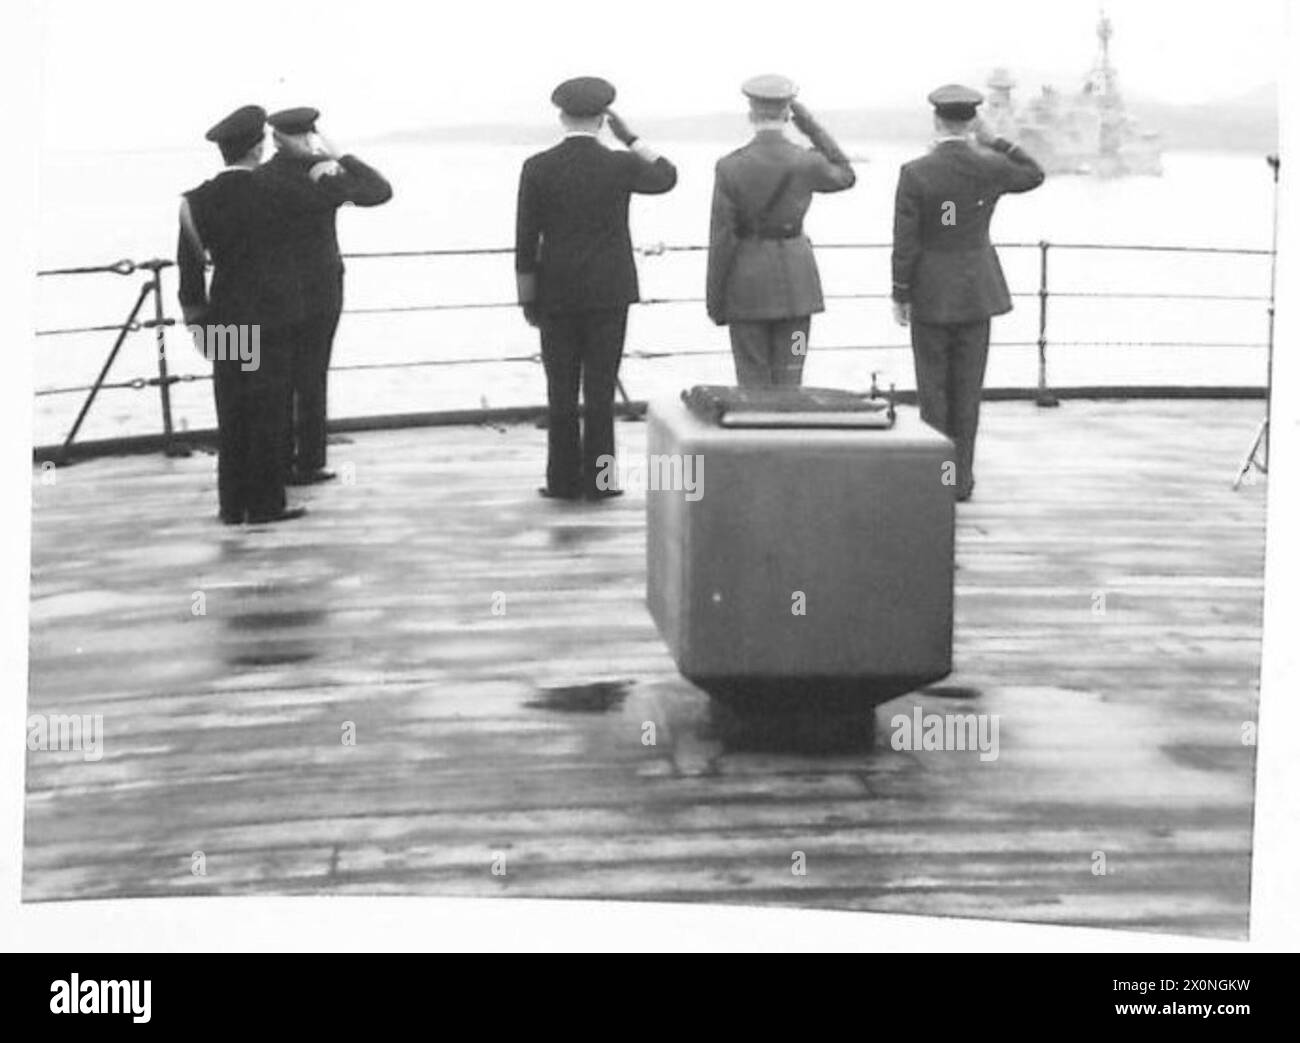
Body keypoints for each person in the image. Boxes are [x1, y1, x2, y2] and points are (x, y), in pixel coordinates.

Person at [515, 76, 677, 501]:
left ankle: (562, 481)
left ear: (561, 116)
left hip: (556, 292)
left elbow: (526, 239)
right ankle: (602, 481)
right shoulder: (621, 165)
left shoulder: (538, 166)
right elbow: (666, 176)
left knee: (561, 391)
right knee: (601, 390)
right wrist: (631, 137)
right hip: (610, 291)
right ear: (604, 118)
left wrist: (528, 297)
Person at [891, 84, 1045, 502]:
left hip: (930, 291)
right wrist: (994, 139)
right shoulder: (990, 165)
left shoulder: (915, 172)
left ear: (936, 119)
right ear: (971, 120)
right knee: (967, 391)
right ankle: (961, 479)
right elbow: (1034, 173)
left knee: (933, 391)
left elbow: (905, 241)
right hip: (977, 290)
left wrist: (900, 292)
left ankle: (938, 479)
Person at [177, 104, 305, 525]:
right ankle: (266, 504)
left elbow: (190, 275)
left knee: (231, 412)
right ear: (258, 146)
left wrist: (200, 329)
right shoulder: (280, 190)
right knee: (270, 412)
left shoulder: (195, 202)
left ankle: (232, 505)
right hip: (273, 318)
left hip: (226, 317)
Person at [259, 107, 393, 485]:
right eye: (305, 136)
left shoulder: (265, 176)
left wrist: (332, 163)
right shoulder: (323, 175)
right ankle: (309, 461)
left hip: (281, 289)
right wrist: (340, 157)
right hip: (319, 286)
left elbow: (381, 193)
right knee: (310, 374)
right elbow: (377, 191)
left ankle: (287, 460)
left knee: (286, 376)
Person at [706, 74, 856, 387]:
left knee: (752, 378)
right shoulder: (808, 161)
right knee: (792, 371)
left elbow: (722, 239)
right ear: (788, 115)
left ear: (751, 115)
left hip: (746, 292)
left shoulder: (730, 166)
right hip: (799, 291)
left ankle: (758, 436)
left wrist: (716, 300)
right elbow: (846, 173)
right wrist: (811, 127)